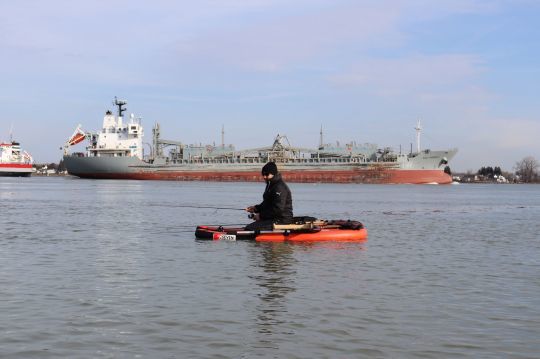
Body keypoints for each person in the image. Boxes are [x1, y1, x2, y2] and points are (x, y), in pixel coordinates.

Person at [245, 162, 293, 231]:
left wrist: (261, 216)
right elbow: (267, 203)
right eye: (263, 174)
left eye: (266, 174)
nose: (264, 177)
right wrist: (256, 208)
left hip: (282, 220)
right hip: (273, 218)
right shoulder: (270, 185)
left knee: (250, 228)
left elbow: (278, 209)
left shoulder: (279, 187)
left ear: (273, 173)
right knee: (250, 227)